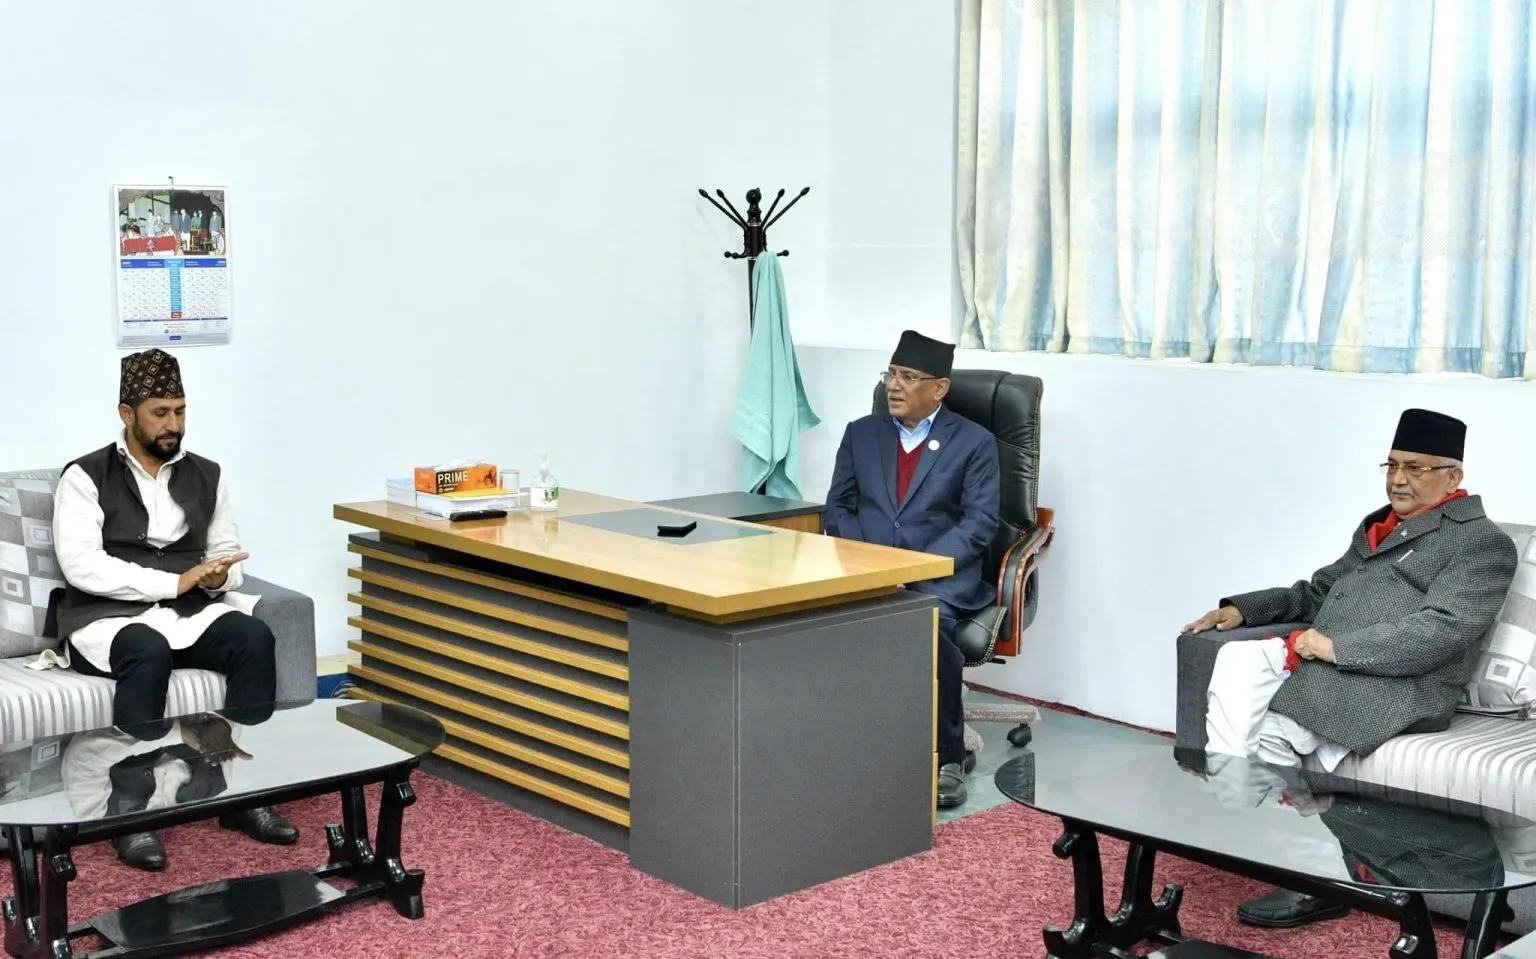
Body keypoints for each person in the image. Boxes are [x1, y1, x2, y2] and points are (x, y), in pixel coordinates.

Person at [1180, 407, 1517, 929]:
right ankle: (1251, 820)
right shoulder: (1380, 527)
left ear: (1453, 477)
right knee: (1235, 677)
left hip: (1402, 683)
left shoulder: (1480, 543)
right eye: (1393, 464)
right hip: (1333, 667)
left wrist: (1335, 648)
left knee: (1269, 734)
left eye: (1417, 468)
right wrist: (1246, 609)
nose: (1399, 479)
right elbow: (1320, 591)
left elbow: (1443, 629)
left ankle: (1305, 867)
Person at [49, 348, 299, 870]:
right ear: (127, 413)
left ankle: (246, 795)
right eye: (160, 413)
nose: (174, 424)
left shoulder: (208, 474)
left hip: (186, 611)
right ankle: (129, 813)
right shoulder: (85, 476)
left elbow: (226, 553)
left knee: (253, 638)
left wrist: (218, 577)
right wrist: (171, 582)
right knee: (148, 650)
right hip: (107, 617)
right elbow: (81, 566)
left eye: (181, 411)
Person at [825, 330, 1001, 808]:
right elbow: (838, 507)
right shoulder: (861, 434)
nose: (893, 386)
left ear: (939, 388)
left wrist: (915, 568)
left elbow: (980, 523)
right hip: (868, 572)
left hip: (937, 577)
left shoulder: (975, 443)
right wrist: (871, 565)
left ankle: (947, 757)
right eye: (890, 374)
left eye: (907, 377)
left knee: (926, 627)